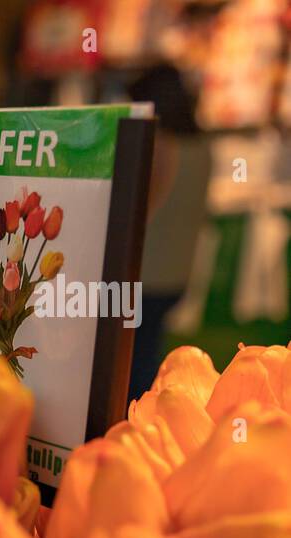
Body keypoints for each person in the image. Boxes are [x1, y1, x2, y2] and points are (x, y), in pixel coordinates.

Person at [127, 63, 212, 399]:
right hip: (178, 273)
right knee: (147, 357)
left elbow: (137, 212)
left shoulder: (160, 145)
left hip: (144, 275)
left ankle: (134, 428)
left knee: (133, 367)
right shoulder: (204, 147)